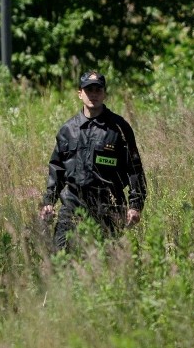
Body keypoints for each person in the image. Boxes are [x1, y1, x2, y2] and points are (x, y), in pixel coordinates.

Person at [39, 70, 147, 251]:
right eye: (89, 90)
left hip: (108, 208)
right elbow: (56, 170)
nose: (94, 95)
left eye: (98, 90)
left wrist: (135, 206)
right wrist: (48, 202)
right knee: (60, 262)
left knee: (106, 266)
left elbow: (135, 169)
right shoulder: (68, 130)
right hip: (72, 207)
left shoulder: (119, 128)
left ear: (104, 93)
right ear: (80, 93)